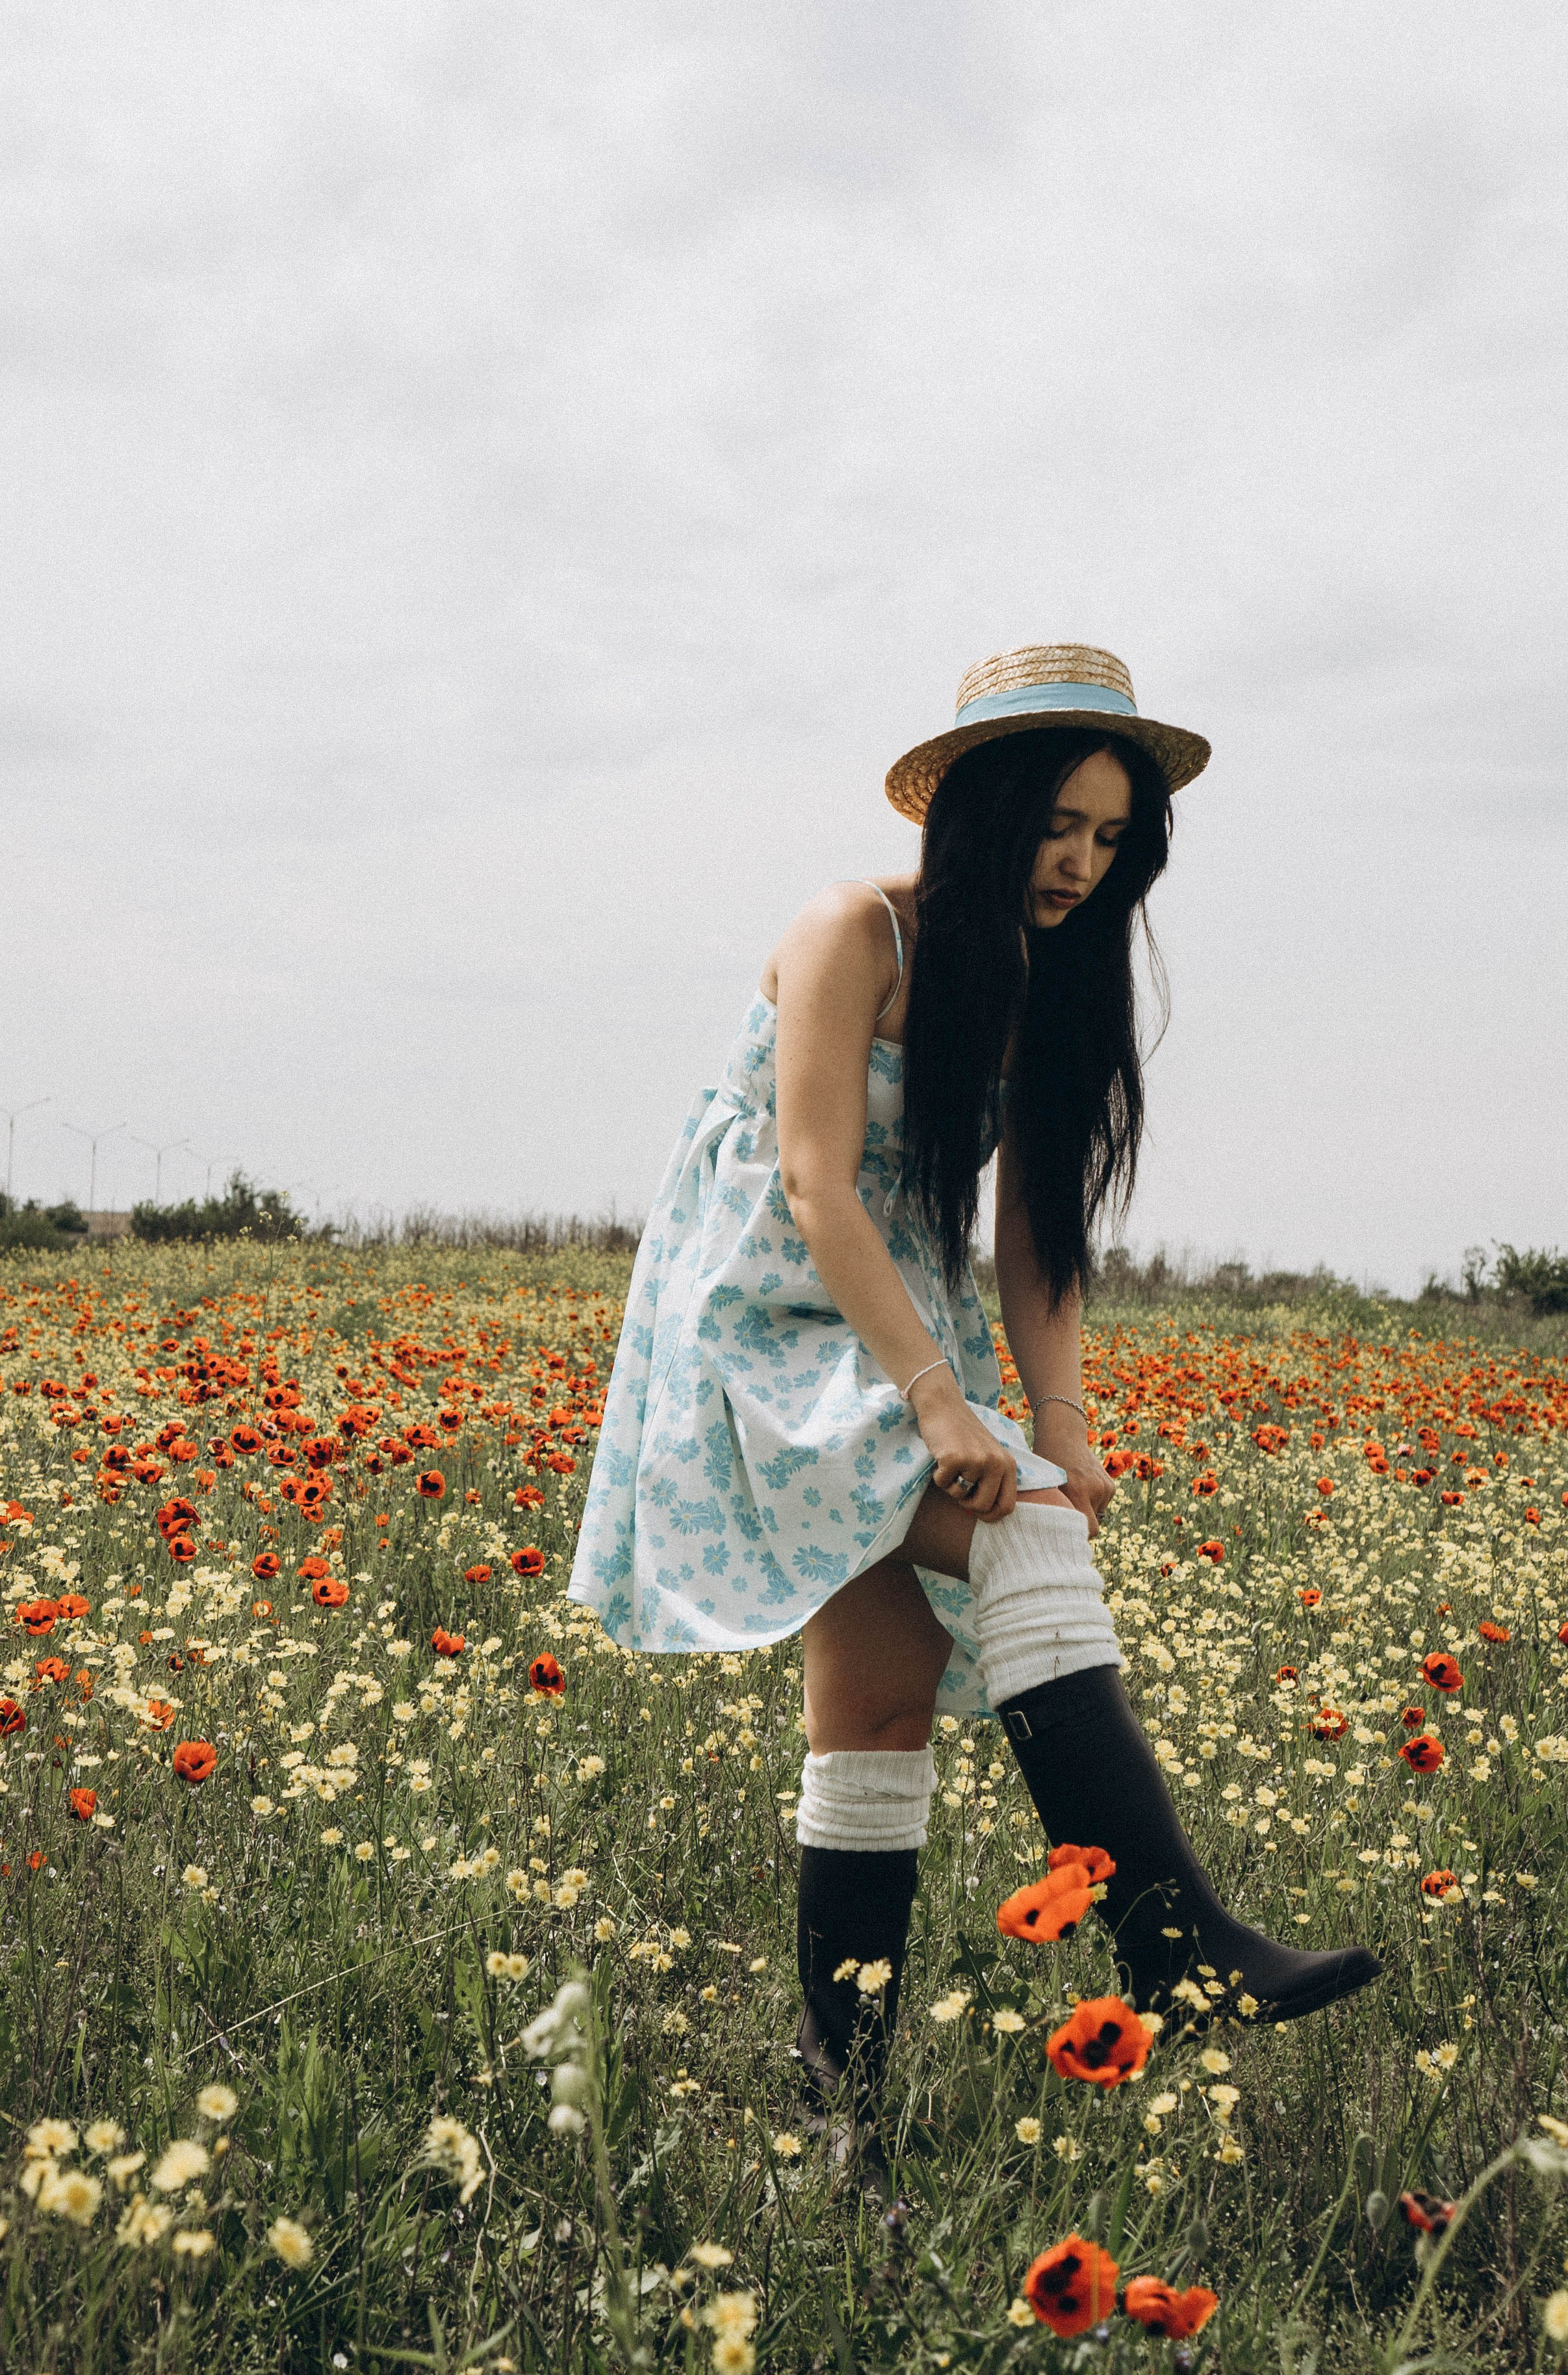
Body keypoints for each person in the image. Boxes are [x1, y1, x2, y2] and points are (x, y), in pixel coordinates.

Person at [569, 642, 1381, 2146]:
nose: (1077, 863)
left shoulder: (1046, 986)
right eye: (1055, 825)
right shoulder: (850, 930)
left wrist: (1060, 1427)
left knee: (878, 1709)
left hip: (901, 1325)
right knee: (1020, 1542)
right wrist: (945, 1405)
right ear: (977, 808)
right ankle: (1173, 1943)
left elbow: (1036, 1242)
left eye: (1109, 838)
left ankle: (838, 2124)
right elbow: (815, 1185)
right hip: (768, 1325)